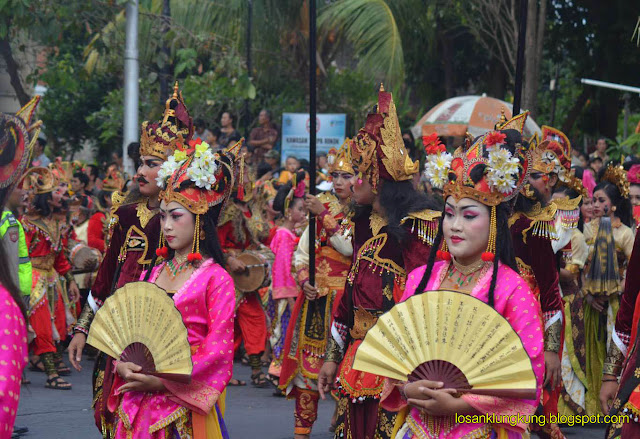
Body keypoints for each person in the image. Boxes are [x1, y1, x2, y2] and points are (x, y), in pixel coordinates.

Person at [381, 124, 544, 439]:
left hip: (480, 430)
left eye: (469, 216)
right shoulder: (419, 280)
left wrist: (460, 404)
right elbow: (394, 351)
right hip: (417, 427)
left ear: (493, 222)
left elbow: (528, 378)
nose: (455, 226)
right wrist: (406, 386)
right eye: (449, 214)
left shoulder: (513, 289)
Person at [68, 82, 194, 436]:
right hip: (120, 336)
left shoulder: (191, 225)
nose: (139, 172)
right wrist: (81, 329)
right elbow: (106, 278)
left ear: (173, 169)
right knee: (114, 420)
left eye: (150, 164)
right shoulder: (126, 216)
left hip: (167, 341)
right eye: (140, 162)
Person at [317, 87, 441, 439]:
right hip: (356, 356)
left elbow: (422, 301)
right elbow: (350, 295)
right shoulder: (360, 223)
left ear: (380, 179)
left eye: (359, 171)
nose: (351, 181)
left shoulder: (417, 228)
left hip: (398, 364)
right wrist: (332, 355)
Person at [105, 135, 238, 438]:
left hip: (181, 409)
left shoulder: (217, 279)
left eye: (176, 216)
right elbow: (130, 329)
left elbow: (217, 349)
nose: (165, 226)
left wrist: (164, 381)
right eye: (163, 216)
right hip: (138, 400)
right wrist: (122, 364)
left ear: (199, 222)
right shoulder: (153, 271)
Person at [279, 143, 355, 438]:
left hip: (347, 304)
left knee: (346, 372)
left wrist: (324, 215)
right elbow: (302, 255)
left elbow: (348, 247)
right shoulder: (321, 209)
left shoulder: (365, 215)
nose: (338, 181)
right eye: (335, 174)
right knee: (306, 372)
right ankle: (302, 430)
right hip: (317, 301)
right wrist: (304, 281)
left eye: (346, 175)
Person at [581, 165, 634, 420]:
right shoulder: (589, 231)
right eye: (593, 200)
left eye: (601, 200)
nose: (595, 204)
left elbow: (633, 275)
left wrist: (615, 290)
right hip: (592, 304)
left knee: (613, 349)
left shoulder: (625, 234)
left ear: (613, 206)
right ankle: (592, 405)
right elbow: (581, 267)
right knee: (591, 352)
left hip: (616, 304)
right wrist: (589, 295)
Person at [0, 97, 39, 437]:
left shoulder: (11, 220)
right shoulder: (7, 222)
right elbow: (13, 267)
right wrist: (19, 302)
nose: (24, 192)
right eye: (19, 185)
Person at [20, 166, 78, 390]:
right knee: (41, 326)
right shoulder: (27, 224)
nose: (60, 197)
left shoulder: (55, 223)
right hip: (32, 278)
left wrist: (70, 279)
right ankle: (51, 374)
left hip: (52, 277)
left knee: (60, 322)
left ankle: (40, 365)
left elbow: (60, 257)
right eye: (55, 193)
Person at [266, 172, 307, 391]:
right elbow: (282, 269)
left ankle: (283, 375)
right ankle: (278, 375)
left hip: (291, 292)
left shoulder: (290, 234)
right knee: (284, 334)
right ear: (289, 211)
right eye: (300, 209)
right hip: (284, 294)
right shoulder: (283, 234)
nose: (303, 213)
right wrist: (290, 297)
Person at [87, 170, 123, 254]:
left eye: (121, 195)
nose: (121, 198)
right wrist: (114, 246)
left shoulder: (123, 214)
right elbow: (92, 241)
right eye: (117, 195)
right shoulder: (98, 216)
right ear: (106, 197)